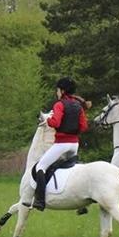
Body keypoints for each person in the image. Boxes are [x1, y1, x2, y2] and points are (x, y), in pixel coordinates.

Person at [33, 76, 89, 210]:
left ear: (62, 91)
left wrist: (48, 121)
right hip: (74, 144)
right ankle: (81, 205)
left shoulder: (59, 104)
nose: (57, 93)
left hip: (61, 144)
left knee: (40, 167)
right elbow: (84, 127)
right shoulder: (78, 106)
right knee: (70, 169)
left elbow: (56, 123)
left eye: (58, 90)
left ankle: (40, 200)